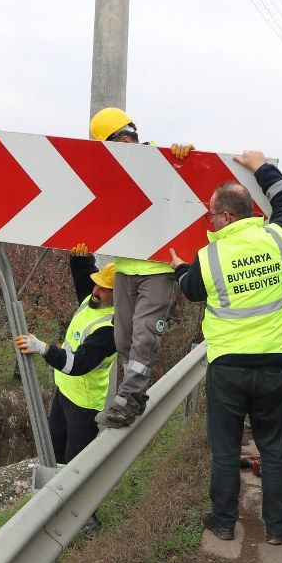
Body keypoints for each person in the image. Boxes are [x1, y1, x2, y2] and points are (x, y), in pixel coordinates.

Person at [168, 151, 282, 546]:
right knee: (273, 449)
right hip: (273, 367)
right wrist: (260, 166)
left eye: (210, 215)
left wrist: (177, 267)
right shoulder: (279, 239)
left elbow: (190, 290)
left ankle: (223, 522)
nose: (209, 221)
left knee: (224, 450)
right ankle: (277, 527)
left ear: (225, 217)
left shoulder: (208, 257)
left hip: (227, 370)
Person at [87, 107, 193, 428]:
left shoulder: (159, 161)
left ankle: (127, 399)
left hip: (157, 268)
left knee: (144, 337)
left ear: (127, 136)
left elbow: (183, 191)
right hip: (126, 267)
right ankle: (136, 392)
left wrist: (181, 157)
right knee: (123, 338)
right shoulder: (110, 173)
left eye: (118, 142)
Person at [14, 246, 117, 464]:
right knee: (56, 452)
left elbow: (77, 364)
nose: (95, 291)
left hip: (84, 404)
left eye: (104, 288)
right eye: (97, 283)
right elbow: (83, 276)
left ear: (118, 296)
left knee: (75, 464)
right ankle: (55, 495)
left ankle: (75, 498)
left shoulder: (111, 329)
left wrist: (42, 348)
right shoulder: (94, 299)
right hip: (65, 392)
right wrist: (80, 257)